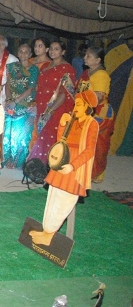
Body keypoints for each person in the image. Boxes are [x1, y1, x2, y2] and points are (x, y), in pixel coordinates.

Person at [29, 90, 98, 246]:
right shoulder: (72, 120)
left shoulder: (91, 124)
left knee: (63, 201)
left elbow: (90, 150)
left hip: (74, 169)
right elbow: (61, 141)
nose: (75, 108)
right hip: (62, 161)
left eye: (78, 105)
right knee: (52, 197)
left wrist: (73, 166)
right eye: (75, 105)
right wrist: (62, 125)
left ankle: (49, 234)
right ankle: (46, 230)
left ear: (87, 107)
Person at [28, 41, 75, 164]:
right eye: (52, 48)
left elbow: (65, 93)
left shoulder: (67, 68)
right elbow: (39, 87)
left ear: (63, 52)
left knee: (52, 136)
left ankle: (51, 165)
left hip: (56, 108)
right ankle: (39, 165)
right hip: (41, 105)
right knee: (41, 135)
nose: (52, 51)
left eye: (56, 49)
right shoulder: (45, 66)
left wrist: (51, 110)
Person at [76, 46, 113, 183]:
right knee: (82, 143)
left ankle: (97, 174)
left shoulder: (102, 75)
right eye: (85, 55)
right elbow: (78, 89)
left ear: (98, 60)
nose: (85, 58)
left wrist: (80, 97)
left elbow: (98, 97)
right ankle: (84, 170)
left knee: (97, 145)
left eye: (89, 56)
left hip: (98, 113)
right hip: (84, 111)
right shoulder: (86, 72)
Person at [2, 43, 39, 169]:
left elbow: (31, 88)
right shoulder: (12, 67)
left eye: (26, 52)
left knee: (20, 135)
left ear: (30, 54)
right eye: (21, 52)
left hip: (25, 105)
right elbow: (7, 84)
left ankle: (17, 161)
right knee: (7, 134)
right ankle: (6, 159)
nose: (23, 54)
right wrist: (9, 99)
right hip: (10, 104)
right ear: (17, 53)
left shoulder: (34, 70)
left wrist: (16, 101)